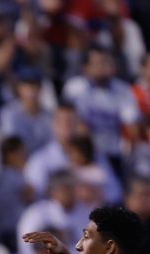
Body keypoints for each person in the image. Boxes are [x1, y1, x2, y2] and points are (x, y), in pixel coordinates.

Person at [61, 45, 140, 174]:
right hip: (83, 152)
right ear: (85, 67)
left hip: (114, 153)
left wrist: (129, 151)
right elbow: (66, 120)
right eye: (97, 63)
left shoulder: (123, 89)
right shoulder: (74, 88)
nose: (102, 68)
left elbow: (132, 126)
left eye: (106, 62)